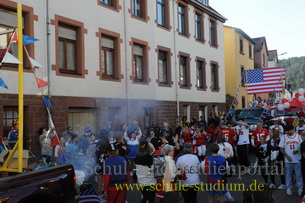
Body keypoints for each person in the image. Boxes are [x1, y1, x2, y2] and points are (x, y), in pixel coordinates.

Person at [279, 124, 303, 196]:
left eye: (288, 131)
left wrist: (298, 151)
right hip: (288, 160)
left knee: (298, 175)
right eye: (286, 131)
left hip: (298, 159)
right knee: (288, 175)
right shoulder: (284, 138)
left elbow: (302, 148)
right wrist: (287, 156)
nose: (287, 132)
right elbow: (281, 148)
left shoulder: (298, 137)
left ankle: (300, 188)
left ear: (292, 130)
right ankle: (288, 188)